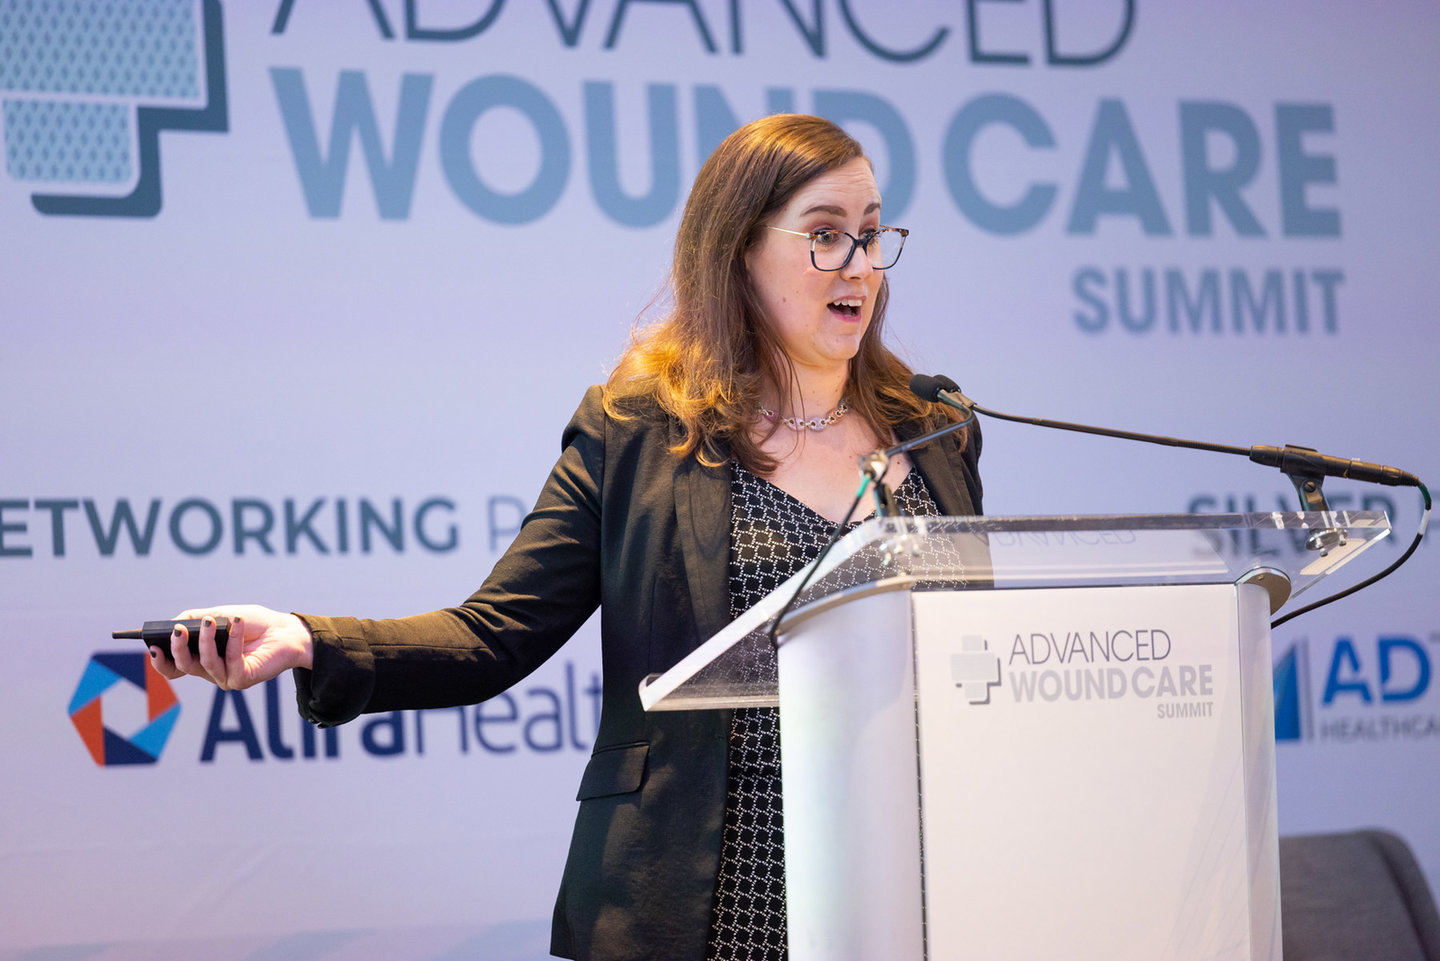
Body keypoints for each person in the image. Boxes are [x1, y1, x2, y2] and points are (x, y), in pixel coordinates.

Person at [154, 113, 983, 961]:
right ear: (739, 250)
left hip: (911, 885)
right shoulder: (643, 434)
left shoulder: (933, 426)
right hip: (710, 895)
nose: (861, 265)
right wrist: (308, 639)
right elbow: (493, 635)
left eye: (872, 234)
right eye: (826, 236)